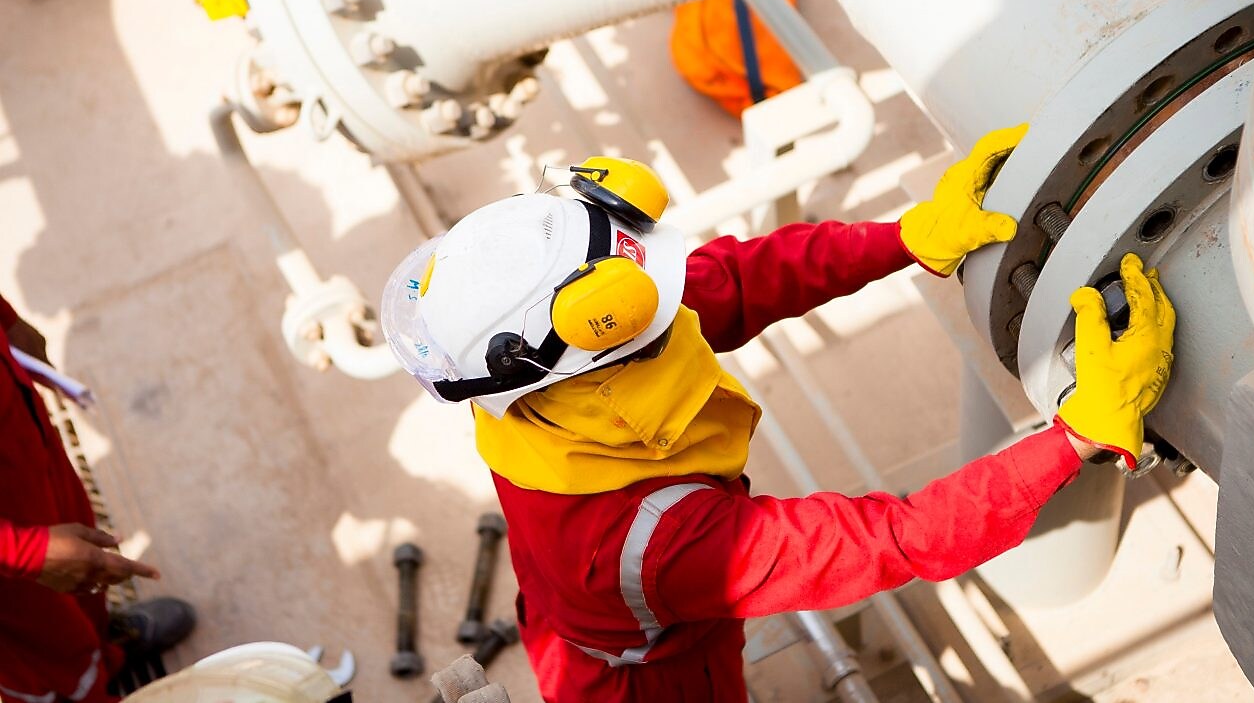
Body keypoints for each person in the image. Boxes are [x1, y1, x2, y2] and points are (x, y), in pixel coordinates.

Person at [381, 128, 1175, 702]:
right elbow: (892, 538)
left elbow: (739, 279)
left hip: (571, 620)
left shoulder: (533, 378)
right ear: (602, 348)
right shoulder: (651, 542)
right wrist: (1074, 437)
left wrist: (906, 237)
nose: (675, 295)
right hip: (651, 685)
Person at [0, 295, 196, 703]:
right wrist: (26, 553)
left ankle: (104, 652)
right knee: (48, 657)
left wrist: (6, 319)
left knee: (82, 572)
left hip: (22, 449)